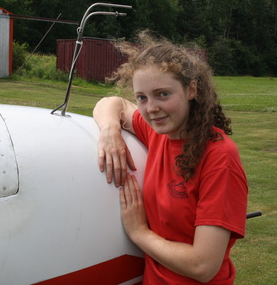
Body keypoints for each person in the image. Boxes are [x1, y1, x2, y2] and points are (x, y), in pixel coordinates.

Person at [93, 31, 248, 285]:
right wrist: (110, 130)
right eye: (142, 97)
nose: (151, 108)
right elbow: (111, 103)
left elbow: (203, 265)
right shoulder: (158, 133)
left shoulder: (220, 157)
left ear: (191, 89)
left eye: (163, 94)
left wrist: (139, 232)